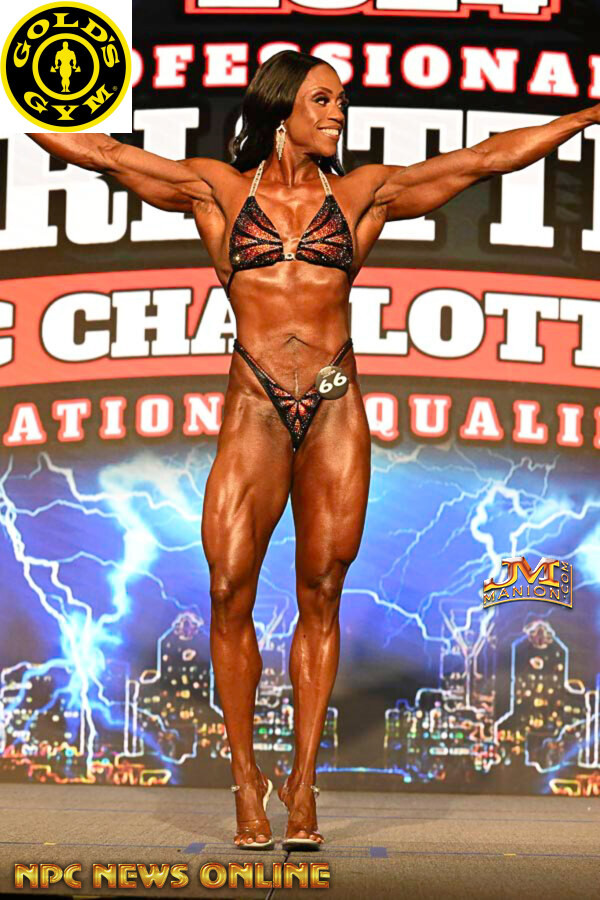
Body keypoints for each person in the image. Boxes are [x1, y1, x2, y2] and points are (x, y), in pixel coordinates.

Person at [28, 49, 599, 851]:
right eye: (324, 100)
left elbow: (482, 160)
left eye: (341, 101)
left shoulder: (360, 195)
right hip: (254, 406)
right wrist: (17, 110)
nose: (338, 113)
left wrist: (587, 115)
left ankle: (302, 784)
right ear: (283, 107)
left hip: (333, 407)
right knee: (228, 588)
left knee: (321, 591)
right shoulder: (220, 192)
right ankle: (246, 778)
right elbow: (106, 153)